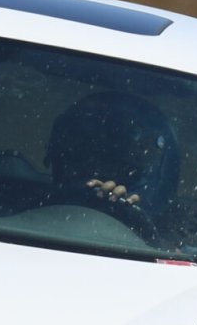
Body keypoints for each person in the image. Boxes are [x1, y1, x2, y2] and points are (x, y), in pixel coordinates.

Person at [46, 90, 182, 237]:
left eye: (104, 159)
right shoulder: (24, 203)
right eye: (77, 155)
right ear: (55, 155)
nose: (91, 181)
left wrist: (124, 208)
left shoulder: (158, 220)